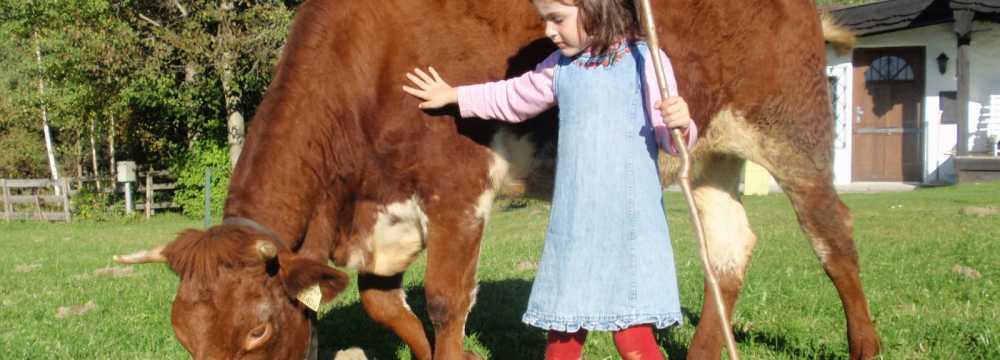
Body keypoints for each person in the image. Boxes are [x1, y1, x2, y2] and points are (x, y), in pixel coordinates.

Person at [403, 0, 696, 358]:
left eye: (557, 19)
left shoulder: (646, 61)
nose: (548, 32)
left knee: (633, 338)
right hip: (576, 228)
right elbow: (511, 97)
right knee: (563, 339)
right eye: (545, 20)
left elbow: (671, 140)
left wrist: (681, 123)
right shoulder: (562, 68)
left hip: (631, 227)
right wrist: (455, 96)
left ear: (596, 7)